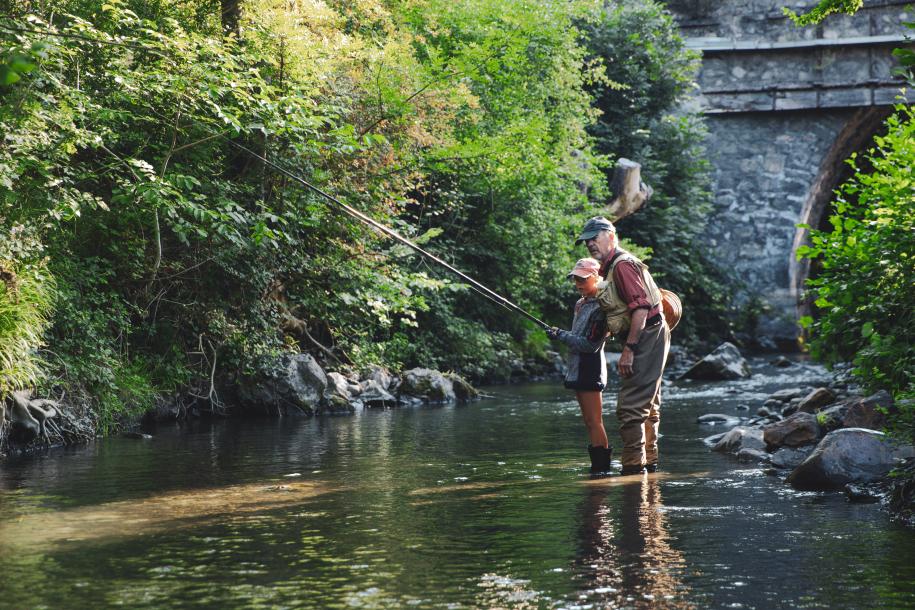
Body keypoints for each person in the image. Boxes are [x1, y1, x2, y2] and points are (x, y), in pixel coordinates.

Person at [575, 216, 670, 475]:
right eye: (587, 241)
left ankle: (633, 471)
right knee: (648, 405)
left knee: (630, 408)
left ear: (611, 236)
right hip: (652, 331)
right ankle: (648, 465)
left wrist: (629, 349)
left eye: (594, 238)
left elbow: (640, 308)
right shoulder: (610, 267)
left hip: (646, 334)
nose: (590, 244)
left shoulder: (622, 265)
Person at [546, 258, 613, 477]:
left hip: (590, 366)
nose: (577, 283)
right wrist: (561, 334)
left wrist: (561, 335)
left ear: (596, 277)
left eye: (583, 279)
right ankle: (598, 469)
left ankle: (602, 470)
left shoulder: (601, 308)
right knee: (589, 422)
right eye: (575, 278)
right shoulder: (580, 303)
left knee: (594, 421)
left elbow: (590, 345)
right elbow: (577, 337)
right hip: (578, 366)